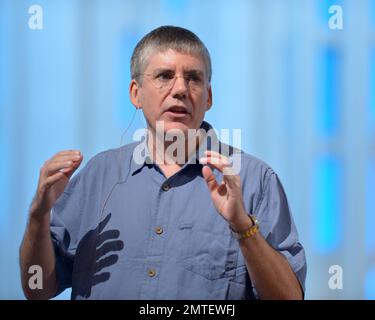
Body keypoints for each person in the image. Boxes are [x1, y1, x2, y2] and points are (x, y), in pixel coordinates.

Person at [19, 25, 306, 300]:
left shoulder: (255, 179)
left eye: (193, 78)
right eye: (165, 76)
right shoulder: (98, 175)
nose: (180, 88)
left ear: (208, 97)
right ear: (136, 94)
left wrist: (243, 227)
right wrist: (38, 216)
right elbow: (37, 288)